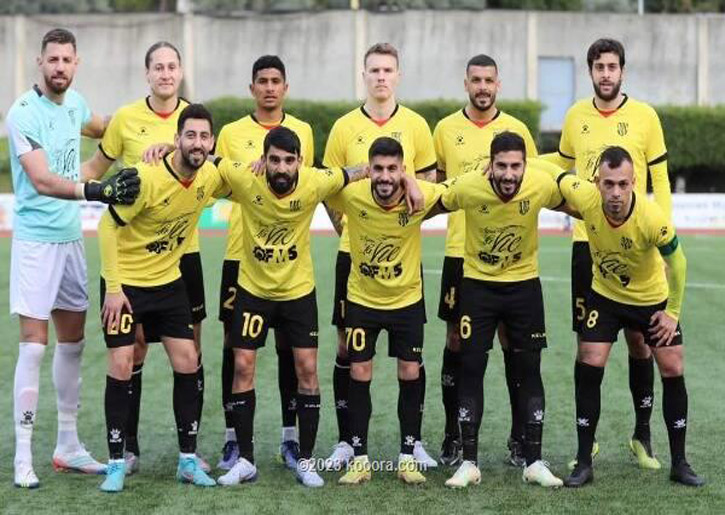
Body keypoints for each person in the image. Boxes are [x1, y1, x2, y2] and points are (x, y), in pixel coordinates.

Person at [7, 27, 139, 489]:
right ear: (40, 63)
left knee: (73, 343)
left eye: (67, 60)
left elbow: (108, 129)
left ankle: (67, 446)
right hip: (35, 244)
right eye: (53, 59)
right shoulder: (22, 113)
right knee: (33, 346)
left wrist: (153, 124)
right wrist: (94, 189)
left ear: (76, 64)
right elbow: (43, 180)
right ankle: (23, 456)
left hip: (69, 241)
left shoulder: (76, 104)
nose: (60, 67)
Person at [216, 127, 380, 488]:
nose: (281, 167)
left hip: (298, 293)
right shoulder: (245, 178)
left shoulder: (314, 181)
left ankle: (305, 460)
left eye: (289, 160)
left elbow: (354, 172)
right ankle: (245, 460)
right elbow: (206, 161)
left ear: (300, 162)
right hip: (253, 290)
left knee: (307, 369)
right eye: (274, 159)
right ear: (264, 159)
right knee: (242, 366)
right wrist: (166, 149)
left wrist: (403, 180)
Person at [543, 38, 672, 470]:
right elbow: (561, 166)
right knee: (588, 344)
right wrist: (522, 161)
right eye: (599, 66)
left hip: (637, 245)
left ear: (622, 71)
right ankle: (589, 440)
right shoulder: (575, 116)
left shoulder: (645, 116)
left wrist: (663, 237)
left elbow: (660, 180)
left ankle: (642, 434)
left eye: (612, 66)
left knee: (640, 342)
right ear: (590, 71)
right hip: (588, 243)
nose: (605, 74)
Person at [81, 40, 210, 474]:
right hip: (133, 258)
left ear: (181, 72)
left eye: (173, 66)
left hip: (183, 256)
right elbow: (95, 172)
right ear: (147, 73)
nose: (166, 74)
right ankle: (128, 448)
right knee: (132, 350)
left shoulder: (195, 120)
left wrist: (173, 151)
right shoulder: (126, 118)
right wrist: (59, 188)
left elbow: (213, 165)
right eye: (159, 67)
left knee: (191, 351)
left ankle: (190, 450)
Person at [544, 146, 704, 488]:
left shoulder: (651, 218)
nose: (615, 192)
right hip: (605, 295)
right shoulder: (585, 197)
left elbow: (678, 263)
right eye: (608, 184)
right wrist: (514, 163)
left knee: (673, 365)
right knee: (589, 357)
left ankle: (679, 462)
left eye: (622, 184)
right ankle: (584, 461)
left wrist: (672, 313)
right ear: (596, 183)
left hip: (650, 300)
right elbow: (555, 175)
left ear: (633, 183)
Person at [96, 104, 235, 492]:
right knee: (122, 362)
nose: (197, 143)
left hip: (169, 283)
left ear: (212, 142)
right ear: (176, 139)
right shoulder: (147, 177)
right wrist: (113, 289)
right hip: (126, 285)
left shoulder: (209, 176)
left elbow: (240, 176)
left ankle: (188, 460)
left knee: (189, 359)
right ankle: (116, 462)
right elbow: (107, 226)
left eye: (204, 136)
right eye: (190, 135)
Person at [323, 42, 438, 471]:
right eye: (374, 70)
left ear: (398, 75)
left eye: (388, 70)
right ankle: (346, 441)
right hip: (353, 257)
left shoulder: (416, 125)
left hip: (402, 256)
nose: (381, 77)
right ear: (364, 75)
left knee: (410, 357)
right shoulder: (343, 127)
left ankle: (414, 442)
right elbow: (330, 188)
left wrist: (412, 186)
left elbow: (428, 181)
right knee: (348, 350)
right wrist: (348, 229)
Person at [434, 132, 565, 489]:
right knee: (470, 367)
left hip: (524, 287)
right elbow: (431, 200)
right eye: (502, 166)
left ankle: (534, 461)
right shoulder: (468, 186)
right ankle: (469, 463)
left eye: (515, 166)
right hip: (477, 287)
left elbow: (578, 204)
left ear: (525, 165)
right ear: (490, 165)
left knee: (529, 369)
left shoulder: (540, 184)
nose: (509, 174)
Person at [433, 54, 539, 468]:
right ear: (466, 83)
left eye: (488, 80)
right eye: (475, 80)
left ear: (498, 84)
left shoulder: (517, 131)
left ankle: (519, 437)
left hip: (509, 259)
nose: (482, 87)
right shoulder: (445, 129)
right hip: (459, 254)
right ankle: (453, 435)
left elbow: (532, 182)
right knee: (456, 344)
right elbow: (440, 188)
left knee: (513, 345)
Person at [215, 55, 315, 471]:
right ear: (252, 87)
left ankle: (291, 438)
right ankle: (233, 440)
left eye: (276, 81)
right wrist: (248, 172)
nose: (270, 87)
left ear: (285, 87)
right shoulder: (231, 133)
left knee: (290, 348)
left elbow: (304, 184)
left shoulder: (303, 132)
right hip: (240, 256)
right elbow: (219, 182)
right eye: (262, 81)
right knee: (235, 349)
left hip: (287, 264)